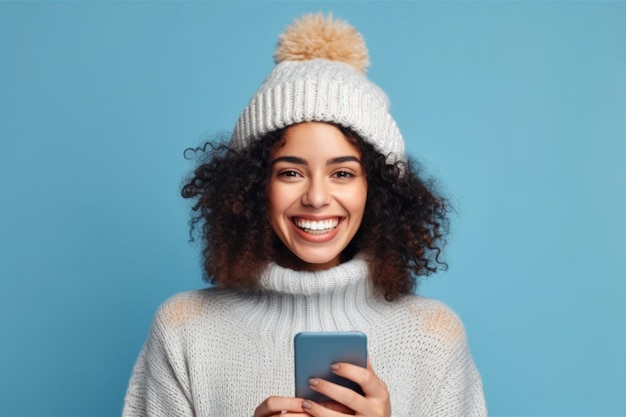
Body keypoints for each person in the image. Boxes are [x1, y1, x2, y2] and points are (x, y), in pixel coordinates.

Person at [123, 13, 486, 417]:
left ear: (378, 191)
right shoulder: (184, 328)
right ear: (252, 186)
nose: (316, 197)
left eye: (343, 173)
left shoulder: (433, 337)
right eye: (290, 172)